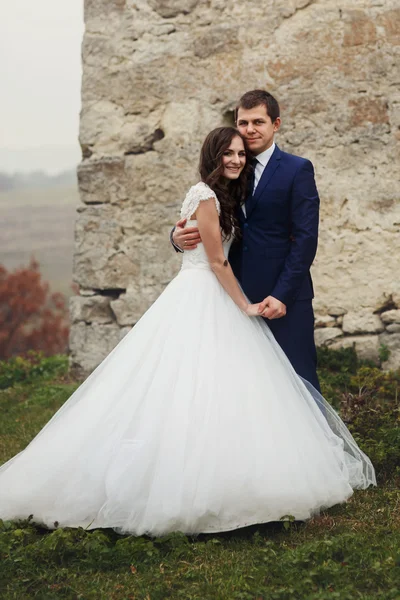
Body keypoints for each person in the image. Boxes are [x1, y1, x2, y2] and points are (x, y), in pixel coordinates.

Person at [0, 127, 375, 537]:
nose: (236, 159)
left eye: (239, 153)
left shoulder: (230, 192)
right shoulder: (207, 195)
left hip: (214, 292)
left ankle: (234, 475)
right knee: (188, 384)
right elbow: (216, 262)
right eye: (228, 153)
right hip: (204, 294)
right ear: (212, 156)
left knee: (225, 388)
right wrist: (244, 304)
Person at [172, 90, 321, 391]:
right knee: (242, 386)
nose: (249, 129)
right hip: (231, 296)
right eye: (243, 122)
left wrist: (282, 294)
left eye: (258, 122)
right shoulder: (228, 169)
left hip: (283, 298)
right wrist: (177, 237)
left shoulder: (296, 169)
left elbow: (305, 238)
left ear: (275, 124)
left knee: (298, 380)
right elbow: (207, 215)